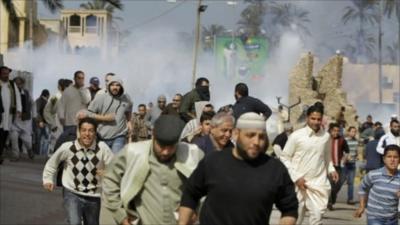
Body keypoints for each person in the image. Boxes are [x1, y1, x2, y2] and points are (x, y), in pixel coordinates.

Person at [179, 112, 298, 225]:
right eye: (250, 135)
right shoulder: (213, 162)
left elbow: (290, 209)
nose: (256, 142)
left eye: (261, 136)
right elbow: (190, 194)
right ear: (236, 134)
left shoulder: (275, 169)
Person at [100, 115, 204, 225]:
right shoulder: (133, 153)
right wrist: (121, 217)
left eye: (171, 147)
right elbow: (110, 180)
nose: (165, 152)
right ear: (153, 134)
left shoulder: (193, 155)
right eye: (162, 146)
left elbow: (209, 189)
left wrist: (197, 211)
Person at [42, 117, 114, 225]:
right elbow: (52, 163)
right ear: (79, 132)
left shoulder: (102, 148)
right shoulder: (68, 147)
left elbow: (116, 168)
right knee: (74, 222)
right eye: (84, 130)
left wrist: (108, 173)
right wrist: (48, 179)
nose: (87, 134)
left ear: (95, 133)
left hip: (94, 196)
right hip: (72, 192)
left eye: (90, 130)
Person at [280, 102, 338, 225]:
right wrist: (296, 178)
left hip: (317, 184)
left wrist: (332, 170)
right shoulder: (296, 136)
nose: (316, 122)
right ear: (307, 118)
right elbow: (284, 158)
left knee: (317, 218)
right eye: (313, 118)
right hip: (298, 184)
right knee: (296, 219)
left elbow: (327, 158)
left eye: (319, 119)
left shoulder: (326, 137)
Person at [82, 76, 132, 153]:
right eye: (112, 85)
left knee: (115, 161)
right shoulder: (100, 98)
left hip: (119, 136)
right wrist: (104, 118)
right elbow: (88, 113)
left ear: (121, 87)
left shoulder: (126, 99)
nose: (115, 87)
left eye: (117, 85)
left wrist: (129, 121)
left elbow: (129, 109)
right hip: (102, 137)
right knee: (102, 162)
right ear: (109, 86)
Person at [354, 144, 400, 225]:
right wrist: (362, 206)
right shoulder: (373, 175)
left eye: (395, 157)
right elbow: (362, 188)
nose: (392, 160)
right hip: (374, 217)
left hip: (392, 219)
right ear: (384, 159)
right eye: (389, 157)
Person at [57, 71, 91, 148]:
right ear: (75, 79)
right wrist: (61, 117)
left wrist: (81, 89)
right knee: (68, 144)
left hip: (81, 122)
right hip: (69, 123)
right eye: (79, 78)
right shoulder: (67, 91)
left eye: (82, 78)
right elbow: (61, 105)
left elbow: (87, 100)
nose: (81, 80)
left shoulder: (85, 91)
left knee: (80, 144)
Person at [9, 77, 34, 160]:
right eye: (16, 83)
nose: (18, 85)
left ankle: (30, 149)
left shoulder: (27, 93)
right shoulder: (11, 92)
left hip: (25, 121)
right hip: (14, 120)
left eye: (19, 83)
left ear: (22, 84)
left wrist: (33, 116)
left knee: (27, 140)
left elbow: (32, 105)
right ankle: (15, 155)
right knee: (14, 137)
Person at [0, 66, 22, 164]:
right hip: (0, 114)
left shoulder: (12, 85)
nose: (6, 75)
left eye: (7, 73)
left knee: (4, 134)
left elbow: (17, 97)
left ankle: (0, 153)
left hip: (8, 115)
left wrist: (19, 109)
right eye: (4, 73)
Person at [327, 123, 349, 210]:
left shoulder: (342, 140)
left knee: (339, 183)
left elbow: (347, 151)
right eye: (334, 131)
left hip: (338, 166)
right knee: (331, 184)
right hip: (329, 166)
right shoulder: (326, 139)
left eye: (337, 131)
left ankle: (333, 197)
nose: (336, 132)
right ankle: (329, 203)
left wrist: (345, 158)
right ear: (330, 131)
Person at [344, 126, 359, 205]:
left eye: (355, 131)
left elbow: (356, 152)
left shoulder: (356, 141)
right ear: (348, 132)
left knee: (351, 182)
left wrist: (356, 157)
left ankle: (350, 199)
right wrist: (345, 157)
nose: (353, 133)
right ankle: (331, 199)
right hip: (344, 164)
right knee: (339, 182)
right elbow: (342, 150)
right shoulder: (345, 140)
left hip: (352, 164)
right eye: (352, 131)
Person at [34, 89, 50, 156]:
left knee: (41, 139)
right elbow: (37, 111)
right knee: (41, 139)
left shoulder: (40, 100)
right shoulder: (41, 101)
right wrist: (40, 121)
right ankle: (39, 154)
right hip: (41, 123)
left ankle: (40, 154)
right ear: (47, 95)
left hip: (42, 123)